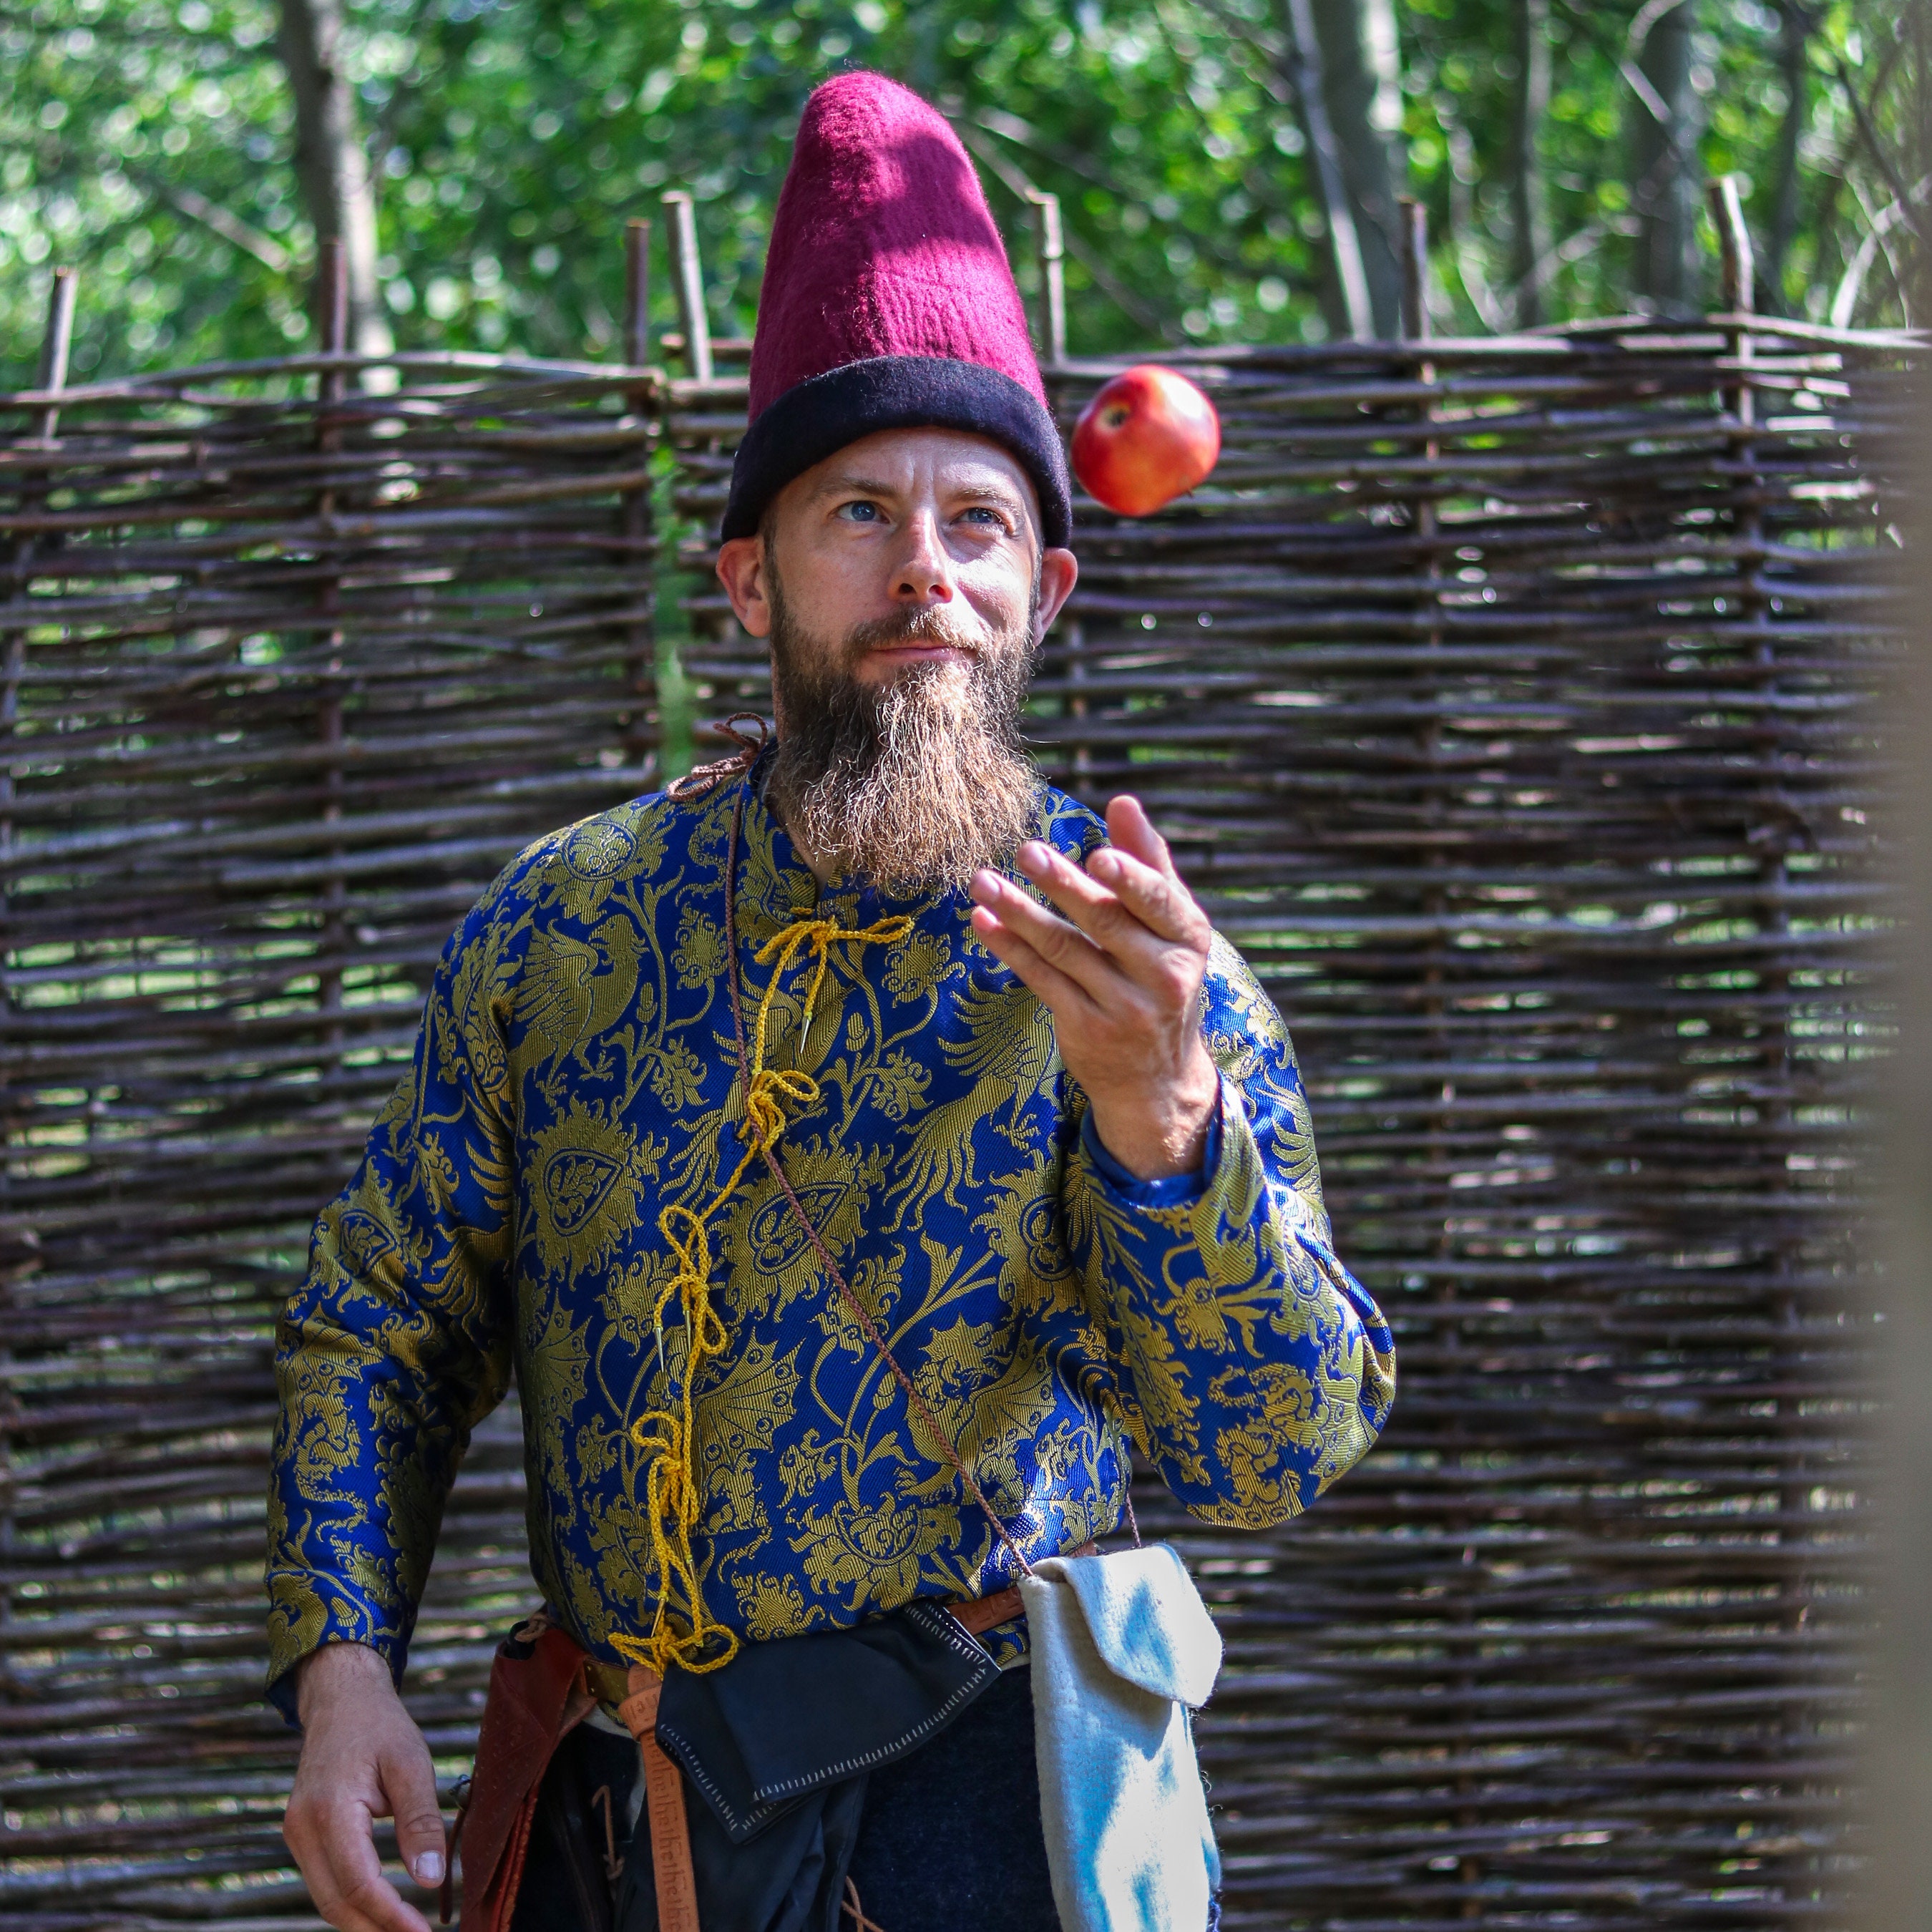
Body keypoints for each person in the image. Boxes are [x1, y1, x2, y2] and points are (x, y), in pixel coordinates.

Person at [268, 71, 1395, 1932]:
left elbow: (1272, 1455)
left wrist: (1158, 1120)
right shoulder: (560, 930)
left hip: (997, 1824)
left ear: (1043, 586)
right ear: (748, 582)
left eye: (972, 522)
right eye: (857, 512)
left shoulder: (1141, 966)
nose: (921, 572)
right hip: (614, 1834)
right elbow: (381, 1327)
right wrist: (338, 1664)